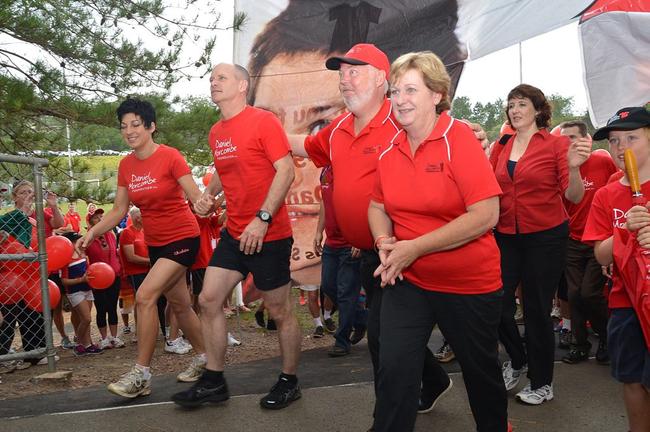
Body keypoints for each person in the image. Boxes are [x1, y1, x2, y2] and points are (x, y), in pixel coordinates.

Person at [288, 44, 490, 425]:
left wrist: (472, 136)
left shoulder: (404, 119)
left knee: (411, 349)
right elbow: (306, 148)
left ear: (382, 78)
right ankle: (423, 390)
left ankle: (423, 401)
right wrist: (259, 129)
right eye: (341, 74)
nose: (344, 81)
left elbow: (446, 135)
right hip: (375, 255)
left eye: (354, 72)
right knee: (391, 346)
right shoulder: (339, 129)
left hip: (431, 260)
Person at [368, 50, 507, 432]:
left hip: (469, 284)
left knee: (481, 375)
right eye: (395, 92)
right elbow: (376, 205)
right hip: (410, 280)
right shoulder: (390, 147)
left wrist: (415, 247)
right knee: (394, 369)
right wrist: (384, 238)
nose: (400, 100)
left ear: (436, 95)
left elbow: (485, 215)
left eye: (411, 90)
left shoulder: (458, 139)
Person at [171, 63, 300, 410]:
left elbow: (285, 170)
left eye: (221, 78)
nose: (213, 82)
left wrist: (262, 219)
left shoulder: (263, 121)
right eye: (211, 78)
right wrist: (208, 194)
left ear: (242, 85)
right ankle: (214, 381)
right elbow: (223, 170)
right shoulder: (216, 132)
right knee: (209, 300)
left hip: (269, 233)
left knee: (278, 310)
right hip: (234, 234)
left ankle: (289, 381)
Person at [78, 98, 207, 399]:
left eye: (136, 124)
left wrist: (202, 202)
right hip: (156, 244)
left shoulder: (171, 156)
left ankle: (141, 374)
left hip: (183, 238)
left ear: (151, 126)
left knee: (146, 296)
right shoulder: (126, 165)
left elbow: (194, 193)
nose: (129, 130)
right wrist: (92, 232)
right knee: (180, 305)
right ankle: (206, 358)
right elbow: (118, 210)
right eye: (124, 126)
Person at [490, 84, 590, 405]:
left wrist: (573, 167)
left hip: (545, 237)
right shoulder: (501, 145)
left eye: (521, 104)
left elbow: (574, 195)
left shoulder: (556, 144)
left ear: (537, 109)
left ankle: (542, 382)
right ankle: (518, 360)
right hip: (505, 234)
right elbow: (491, 189)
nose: (515, 110)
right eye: (511, 105)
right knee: (497, 304)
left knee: (535, 309)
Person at [583, 105, 650, 432]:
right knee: (633, 378)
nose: (622, 148)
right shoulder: (607, 194)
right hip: (625, 301)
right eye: (614, 141)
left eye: (632, 138)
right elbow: (602, 256)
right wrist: (625, 229)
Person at [559, 120, 618, 365]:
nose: (568, 143)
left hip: (599, 240)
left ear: (587, 140)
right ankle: (579, 345)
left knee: (590, 293)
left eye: (573, 137)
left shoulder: (603, 162)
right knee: (573, 294)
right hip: (573, 239)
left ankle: (607, 338)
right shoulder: (561, 167)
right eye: (564, 139)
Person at [314, 165, 362, 355]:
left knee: (345, 293)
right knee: (328, 287)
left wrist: (360, 236)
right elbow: (325, 203)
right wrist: (318, 231)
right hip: (331, 242)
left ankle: (342, 341)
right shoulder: (325, 171)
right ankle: (362, 319)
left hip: (350, 241)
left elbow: (363, 202)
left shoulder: (350, 168)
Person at [85, 209, 124, 349]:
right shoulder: (89, 238)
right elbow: (83, 256)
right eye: (96, 218)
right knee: (101, 308)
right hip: (98, 278)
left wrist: (119, 268)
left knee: (112, 307)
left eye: (101, 217)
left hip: (114, 275)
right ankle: (104, 338)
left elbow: (116, 254)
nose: (100, 220)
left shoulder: (111, 235)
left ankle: (114, 337)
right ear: (90, 222)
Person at [59, 232, 102, 356]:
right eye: (76, 241)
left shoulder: (82, 254)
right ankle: (79, 343)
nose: (80, 242)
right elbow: (64, 280)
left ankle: (88, 344)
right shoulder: (65, 259)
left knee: (87, 319)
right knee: (86, 318)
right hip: (75, 292)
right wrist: (80, 280)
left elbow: (88, 271)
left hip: (87, 289)